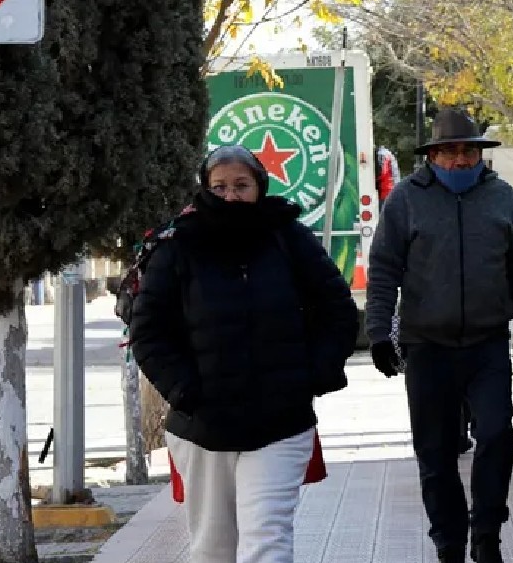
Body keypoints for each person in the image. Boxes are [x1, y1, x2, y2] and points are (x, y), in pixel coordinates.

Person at [129, 145, 359, 563]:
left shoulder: (288, 236)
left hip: (281, 423)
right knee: (214, 549)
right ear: (205, 189)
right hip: (203, 427)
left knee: (267, 540)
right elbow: (149, 332)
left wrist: (315, 373)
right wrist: (184, 390)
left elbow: (337, 309)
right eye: (219, 187)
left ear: (259, 186)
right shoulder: (178, 244)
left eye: (241, 185)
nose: (231, 196)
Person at [365, 107, 513, 563]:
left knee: (496, 436)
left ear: (478, 154)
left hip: (487, 345)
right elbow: (383, 270)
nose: (458, 160)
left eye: (467, 151)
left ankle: (486, 534)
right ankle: (448, 541)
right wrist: (377, 333)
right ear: (432, 156)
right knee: (436, 452)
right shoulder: (406, 201)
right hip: (427, 347)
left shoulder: (502, 199)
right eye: (448, 152)